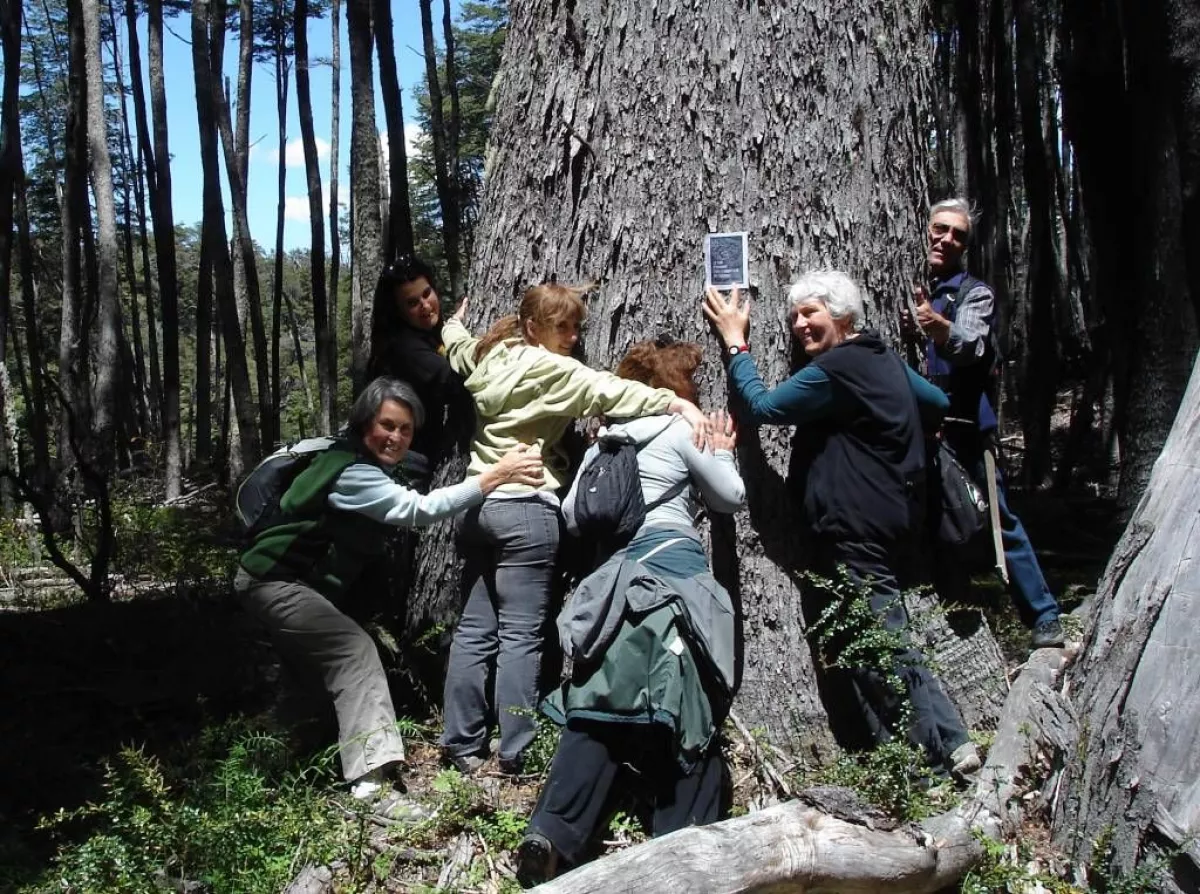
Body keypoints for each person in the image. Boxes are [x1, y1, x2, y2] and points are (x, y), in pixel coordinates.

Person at [703, 271, 979, 775]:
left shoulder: (838, 370)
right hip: (891, 518)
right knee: (891, 633)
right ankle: (956, 742)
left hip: (854, 526)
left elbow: (762, 407)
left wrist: (736, 343)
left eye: (811, 313)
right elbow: (936, 402)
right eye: (794, 317)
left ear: (843, 315)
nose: (799, 325)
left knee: (879, 646)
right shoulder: (880, 356)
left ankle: (929, 768)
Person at [234, 377, 544, 809]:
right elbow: (418, 510)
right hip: (275, 582)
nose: (396, 437)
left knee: (307, 676)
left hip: (278, 580)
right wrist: (494, 476)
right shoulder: (354, 473)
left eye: (405, 429)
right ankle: (370, 787)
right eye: (387, 425)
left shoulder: (347, 460)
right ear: (364, 424)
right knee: (355, 654)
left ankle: (272, 768)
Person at [439, 285, 711, 776]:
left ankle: (460, 744)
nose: (572, 337)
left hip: (479, 507)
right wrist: (676, 403)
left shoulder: (493, 355)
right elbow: (607, 390)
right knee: (521, 636)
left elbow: (459, 348)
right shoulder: (550, 368)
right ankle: (515, 751)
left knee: (474, 631)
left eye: (575, 327)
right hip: (526, 509)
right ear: (531, 328)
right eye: (561, 327)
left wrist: (453, 325)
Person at [516, 338, 746, 886]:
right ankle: (682, 846)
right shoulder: (676, 429)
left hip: (614, 588)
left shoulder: (606, 444)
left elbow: (574, 515)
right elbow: (729, 497)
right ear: (676, 389)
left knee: (597, 707)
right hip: (674, 584)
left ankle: (551, 832)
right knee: (688, 710)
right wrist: (721, 449)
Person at [908, 198, 1064, 649]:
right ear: (927, 229)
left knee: (998, 522)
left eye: (958, 235)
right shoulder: (917, 288)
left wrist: (938, 328)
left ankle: (1044, 617)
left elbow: (972, 345)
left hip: (964, 430)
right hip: (919, 430)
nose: (947, 239)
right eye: (941, 229)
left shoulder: (974, 294)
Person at [367, 255, 475, 490]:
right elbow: (459, 385)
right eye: (412, 303)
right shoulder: (404, 348)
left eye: (427, 294)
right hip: (402, 468)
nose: (425, 306)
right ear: (399, 312)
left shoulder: (424, 337)